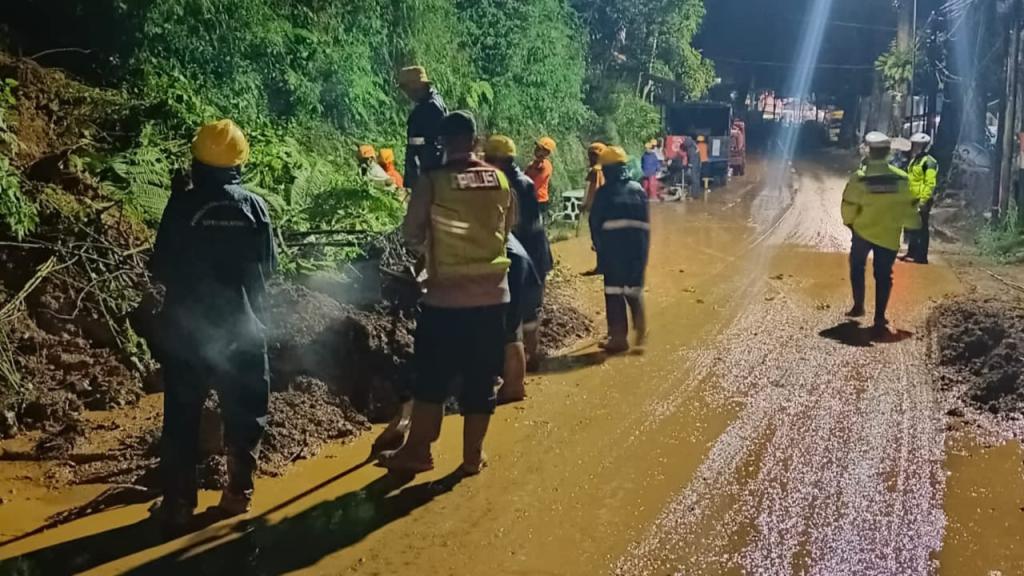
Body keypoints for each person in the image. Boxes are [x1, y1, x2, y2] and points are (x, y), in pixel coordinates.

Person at [149, 120, 276, 537]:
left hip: (189, 330)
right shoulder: (255, 207)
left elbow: (161, 267)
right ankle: (238, 493)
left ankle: (179, 505)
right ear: (240, 161)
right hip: (243, 326)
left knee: (182, 416)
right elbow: (266, 272)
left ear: (196, 158)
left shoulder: (182, 205)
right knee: (246, 411)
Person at [382, 111, 512, 476]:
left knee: (432, 379)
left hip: (445, 300)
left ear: (443, 142)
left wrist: (431, 254)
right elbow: (505, 227)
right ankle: (472, 458)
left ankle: (419, 452)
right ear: (475, 141)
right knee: (481, 379)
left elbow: (411, 234)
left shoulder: (433, 182)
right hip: (492, 298)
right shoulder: (499, 179)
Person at [483, 135, 553, 370]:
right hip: (535, 250)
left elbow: (514, 223)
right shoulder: (523, 180)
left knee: (514, 311)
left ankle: (516, 365)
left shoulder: (507, 183)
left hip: (522, 250)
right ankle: (531, 358)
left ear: (496, 160)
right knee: (530, 307)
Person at [841, 132, 921, 336]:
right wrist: (912, 226)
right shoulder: (901, 178)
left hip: (863, 231)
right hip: (888, 234)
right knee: (884, 275)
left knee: (857, 267)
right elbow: (909, 207)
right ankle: (879, 317)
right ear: (888, 153)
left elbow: (849, 204)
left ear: (868, 151)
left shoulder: (860, 177)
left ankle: (858, 306)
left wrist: (850, 223)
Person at [590, 146, 650, 354]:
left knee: (614, 292)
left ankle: (618, 338)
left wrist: (599, 250)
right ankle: (641, 328)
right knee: (634, 289)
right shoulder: (639, 190)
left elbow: (595, 223)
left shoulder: (604, 193)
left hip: (614, 251)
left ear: (608, 171)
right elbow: (646, 224)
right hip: (638, 249)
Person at [498, 233, 544, 403]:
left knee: (510, 328)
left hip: (508, 262)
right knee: (527, 319)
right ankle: (531, 359)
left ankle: (513, 385)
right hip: (525, 263)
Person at [398, 66, 447, 189]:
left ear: (414, 87)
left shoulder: (429, 107)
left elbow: (421, 144)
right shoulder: (435, 101)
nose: (406, 94)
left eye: (406, 89)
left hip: (428, 171)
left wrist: (415, 179)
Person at [902, 132, 938, 264]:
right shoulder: (915, 160)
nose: (914, 147)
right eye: (914, 144)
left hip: (921, 200)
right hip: (911, 198)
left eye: (917, 145)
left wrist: (923, 201)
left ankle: (921, 256)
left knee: (922, 228)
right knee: (912, 227)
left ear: (924, 146)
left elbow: (930, 183)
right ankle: (911, 253)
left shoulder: (929, 162)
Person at [581, 142, 607, 276]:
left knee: (598, 239)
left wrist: (585, 204)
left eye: (592, 155)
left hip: (597, 209)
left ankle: (601, 266)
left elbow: (594, 190)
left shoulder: (596, 170)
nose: (590, 158)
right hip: (605, 208)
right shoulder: (605, 169)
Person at [526, 137, 556, 222]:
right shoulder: (532, 164)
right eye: (537, 147)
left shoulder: (546, 166)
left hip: (539, 201)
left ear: (546, 152)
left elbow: (536, 184)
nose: (536, 150)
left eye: (539, 148)